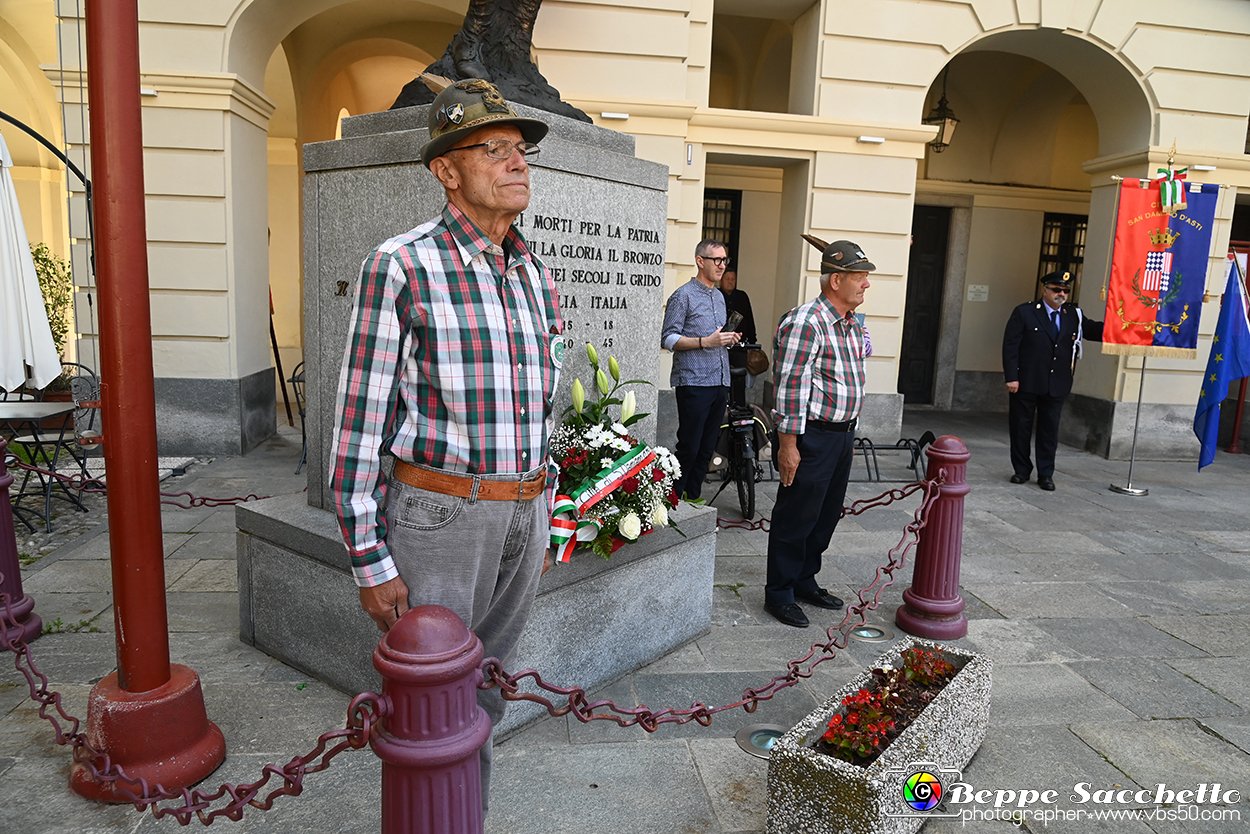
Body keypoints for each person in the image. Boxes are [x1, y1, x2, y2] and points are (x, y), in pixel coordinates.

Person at [328, 78, 560, 809]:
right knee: (430, 701)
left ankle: (466, 815)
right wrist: (369, 559)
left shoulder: (533, 272)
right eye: (492, 148)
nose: (516, 162)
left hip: (524, 512)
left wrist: (546, 503)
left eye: (519, 150)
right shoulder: (401, 265)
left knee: (485, 693)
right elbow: (359, 421)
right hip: (442, 519)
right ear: (445, 169)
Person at [764, 240, 874, 628]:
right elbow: (791, 385)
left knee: (825, 515)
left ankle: (804, 579)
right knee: (797, 515)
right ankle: (779, 592)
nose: (866, 284)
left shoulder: (848, 322)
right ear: (836, 280)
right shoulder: (806, 322)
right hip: (812, 436)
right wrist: (788, 445)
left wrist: (849, 434)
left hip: (841, 436)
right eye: (860, 276)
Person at [1002, 270, 1103, 490]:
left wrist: (1123, 324)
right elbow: (1011, 347)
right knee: (1021, 427)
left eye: (1065, 290)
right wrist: (1012, 377)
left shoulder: (1072, 315)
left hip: (1056, 383)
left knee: (1049, 431)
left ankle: (1046, 474)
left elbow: (1093, 330)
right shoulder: (1025, 312)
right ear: (1045, 290)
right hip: (1026, 381)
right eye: (1057, 289)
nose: (1061, 294)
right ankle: (1021, 470)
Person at [661, 239, 741, 499]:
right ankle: (675, 499)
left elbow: (717, 337)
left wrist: (727, 339)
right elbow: (668, 339)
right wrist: (705, 342)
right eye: (717, 260)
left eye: (724, 260)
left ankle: (692, 497)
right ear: (700, 261)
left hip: (720, 381)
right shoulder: (682, 296)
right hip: (693, 383)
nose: (722, 266)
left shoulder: (719, 297)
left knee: (708, 448)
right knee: (690, 447)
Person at [719, 269, 757, 344]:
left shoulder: (742, 296)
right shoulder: (716, 295)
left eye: (733, 279)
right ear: (720, 281)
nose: (730, 281)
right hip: (720, 343)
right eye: (727, 278)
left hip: (740, 343)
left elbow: (749, 320)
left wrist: (752, 342)